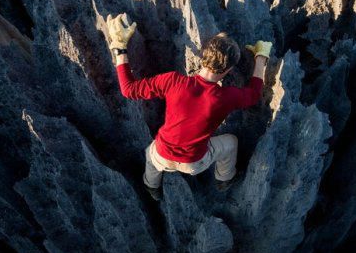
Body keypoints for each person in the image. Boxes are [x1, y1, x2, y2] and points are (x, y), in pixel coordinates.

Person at [106, 13, 272, 201]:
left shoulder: (173, 81)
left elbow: (129, 90)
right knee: (231, 142)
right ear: (228, 70)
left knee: (151, 158)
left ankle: (152, 187)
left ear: (202, 56)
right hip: (195, 163)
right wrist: (260, 58)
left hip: (162, 154)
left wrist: (120, 47)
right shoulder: (226, 97)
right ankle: (224, 179)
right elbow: (253, 95)